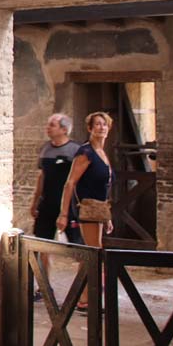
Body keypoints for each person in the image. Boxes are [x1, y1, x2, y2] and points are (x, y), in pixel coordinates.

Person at [58, 111, 115, 312]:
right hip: (87, 208)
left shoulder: (103, 153)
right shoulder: (86, 152)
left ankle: (82, 298)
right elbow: (70, 183)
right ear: (90, 129)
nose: (102, 127)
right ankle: (85, 299)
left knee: (93, 253)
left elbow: (105, 186)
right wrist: (63, 213)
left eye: (104, 124)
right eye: (97, 124)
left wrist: (107, 216)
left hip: (99, 208)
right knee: (94, 253)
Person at [29, 114, 82, 298]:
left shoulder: (76, 150)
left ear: (64, 129)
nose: (48, 128)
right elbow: (42, 177)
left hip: (69, 207)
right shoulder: (45, 149)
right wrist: (36, 201)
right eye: (48, 124)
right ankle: (44, 287)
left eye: (52, 125)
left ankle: (82, 292)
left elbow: (77, 181)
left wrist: (68, 210)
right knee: (42, 247)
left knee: (80, 250)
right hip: (47, 205)